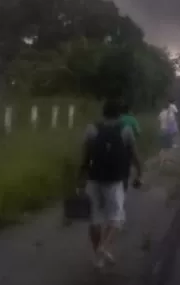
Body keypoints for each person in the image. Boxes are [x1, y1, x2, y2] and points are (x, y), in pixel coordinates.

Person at [78, 99, 143, 269]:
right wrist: (139, 173)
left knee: (94, 218)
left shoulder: (91, 128)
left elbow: (85, 155)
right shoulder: (125, 130)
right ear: (119, 115)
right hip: (115, 180)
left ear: (103, 112)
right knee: (116, 217)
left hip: (93, 178)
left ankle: (98, 257)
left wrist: (81, 176)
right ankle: (104, 247)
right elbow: (135, 155)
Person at [118, 103, 141, 191]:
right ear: (129, 110)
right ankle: (139, 177)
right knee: (137, 162)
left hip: (118, 145)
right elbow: (138, 132)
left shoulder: (119, 119)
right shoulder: (132, 119)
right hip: (129, 145)